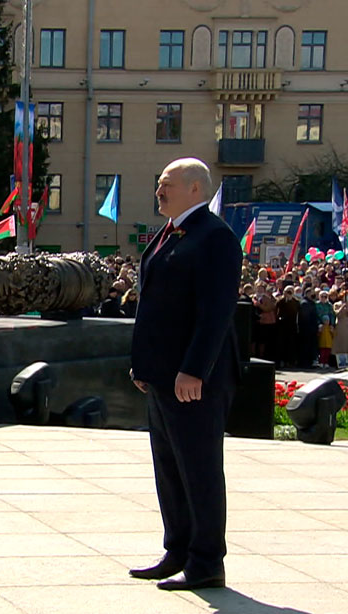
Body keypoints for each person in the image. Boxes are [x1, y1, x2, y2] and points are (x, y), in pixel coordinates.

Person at [128, 158, 240, 591]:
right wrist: (144, 365)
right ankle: (178, 549)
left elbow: (216, 313)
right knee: (170, 468)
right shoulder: (168, 233)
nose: (159, 190)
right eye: (159, 183)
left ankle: (207, 560)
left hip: (194, 379)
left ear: (196, 189)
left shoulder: (215, 238)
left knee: (199, 469)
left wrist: (194, 369)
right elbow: (154, 307)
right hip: (161, 375)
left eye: (166, 183)